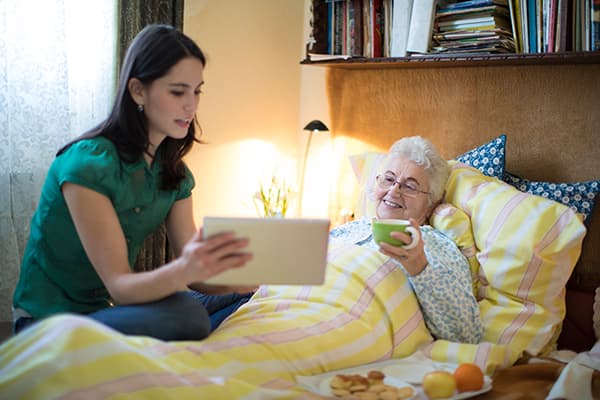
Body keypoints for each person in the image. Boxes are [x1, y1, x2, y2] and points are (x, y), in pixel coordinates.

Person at [12, 24, 256, 341]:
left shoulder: (174, 173)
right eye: (178, 91)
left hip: (108, 310)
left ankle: (171, 336)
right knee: (188, 314)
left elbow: (194, 276)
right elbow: (121, 286)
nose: (191, 105)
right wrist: (187, 270)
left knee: (240, 294)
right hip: (50, 321)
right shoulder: (87, 166)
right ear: (138, 90)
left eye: (197, 91)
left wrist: (246, 278)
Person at [330, 136, 483, 343]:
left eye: (410, 187)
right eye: (389, 179)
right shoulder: (347, 230)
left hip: (349, 326)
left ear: (431, 203)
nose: (394, 191)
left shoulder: (434, 244)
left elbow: (466, 333)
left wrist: (419, 266)